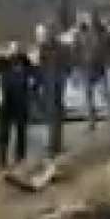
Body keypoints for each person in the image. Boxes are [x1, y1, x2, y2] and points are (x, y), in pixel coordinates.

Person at [0, 41, 36, 169]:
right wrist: (3, 54)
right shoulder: (3, 62)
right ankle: (2, 159)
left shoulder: (26, 63)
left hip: (21, 101)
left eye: (17, 48)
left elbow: (35, 76)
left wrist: (32, 86)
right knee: (4, 132)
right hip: (6, 101)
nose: (15, 50)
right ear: (9, 49)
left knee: (21, 131)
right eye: (12, 48)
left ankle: (20, 157)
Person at [78, 14, 110, 130]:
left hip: (100, 69)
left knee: (106, 97)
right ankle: (91, 122)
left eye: (92, 19)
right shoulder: (80, 34)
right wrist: (76, 67)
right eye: (88, 19)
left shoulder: (104, 34)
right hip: (86, 69)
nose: (90, 22)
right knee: (88, 98)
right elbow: (75, 51)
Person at [35, 23, 69, 155]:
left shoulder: (50, 48)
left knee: (53, 115)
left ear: (47, 34)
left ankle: (53, 146)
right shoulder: (48, 47)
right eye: (38, 34)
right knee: (54, 116)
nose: (39, 37)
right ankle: (55, 145)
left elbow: (43, 68)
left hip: (53, 85)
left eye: (40, 34)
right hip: (51, 84)